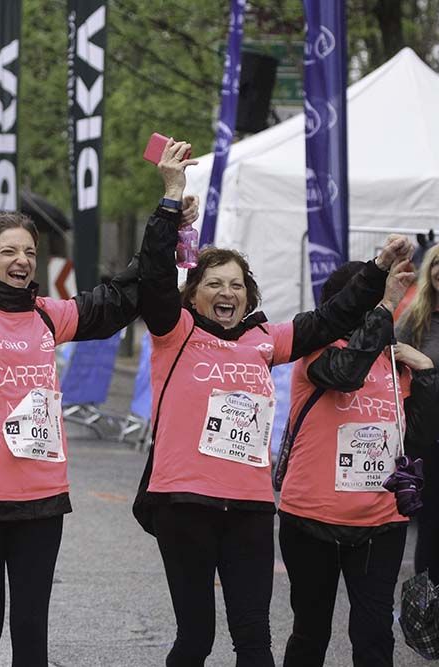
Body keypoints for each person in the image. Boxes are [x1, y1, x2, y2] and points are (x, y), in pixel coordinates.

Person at [0, 181, 196, 666]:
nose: (22, 260)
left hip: (40, 499)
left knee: (32, 636)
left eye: (29, 252)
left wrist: (167, 215)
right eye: (9, 251)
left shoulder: (48, 316)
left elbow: (120, 294)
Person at [133, 138, 412, 666]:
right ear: (193, 295)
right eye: (214, 283)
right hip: (184, 504)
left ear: (249, 295)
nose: (227, 292)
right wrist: (171, 196)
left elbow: (331, 319)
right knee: (195, 639)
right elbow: (153, 275)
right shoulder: (175, 332)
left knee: (255, 644)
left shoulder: (267, 340)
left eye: (237, 285)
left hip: (250, 509)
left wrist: (377, 268)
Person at [277, 260, 439, 666]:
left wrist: (426, 371)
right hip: (311, 520)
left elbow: (418, 437)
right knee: (310, 633)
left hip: (381, 522)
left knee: (374, 636)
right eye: (366, 301)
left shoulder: (396, 362)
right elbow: (347, 374)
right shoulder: (315, 352)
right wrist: (383, 309)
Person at [397, 243, 439, 581]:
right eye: (437, 263)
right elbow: (390, 359)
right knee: (431, 527)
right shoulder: (416, 317)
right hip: (428, 437)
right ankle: (426, 604)